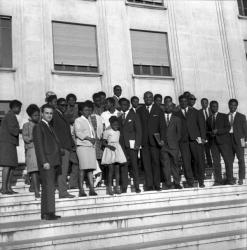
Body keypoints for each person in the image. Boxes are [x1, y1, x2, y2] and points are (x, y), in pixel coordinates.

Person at [33, 104, 62, 220]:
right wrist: (44, 161)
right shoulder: (39, 127)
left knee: (48, 187)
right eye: (47, 113)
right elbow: (39, 146)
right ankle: (49, 212)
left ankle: (46, 213)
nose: (49, 115)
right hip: (47, 162)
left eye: (51, 113)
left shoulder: (49, 126)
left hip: (53, 161)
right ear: (42, 113)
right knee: (49, 187)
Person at [174, 94, 206, 188]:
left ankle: (201, 181)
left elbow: (202, 126)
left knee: (198, 160)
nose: (183, 103)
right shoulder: (176, 114)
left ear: (187, 102)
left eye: (185, 101)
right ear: (179, 102)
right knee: (186, 162)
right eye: (181, 101)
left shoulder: (196, 112)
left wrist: (202, 138)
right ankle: (190, 181)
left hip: (195, 140)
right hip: (183, 142)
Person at [137, 91, 165, 191]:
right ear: (143, 99)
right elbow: (138, 127)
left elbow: (162, 127)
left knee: (156, 163)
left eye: (150, 97)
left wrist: (162, 139)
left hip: (155, 142)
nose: (148, 99)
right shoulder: (139, 111)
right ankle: (149, 185)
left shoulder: (159, 110)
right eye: (146, 97)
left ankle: (157, 184)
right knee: (146, 164)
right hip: (144, 143)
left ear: (152, 98)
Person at [206, 101, 233, 185]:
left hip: (224, 142)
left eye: (216, 106)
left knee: (227, 161)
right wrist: (211, 133)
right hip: (213, 144)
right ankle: (218, 180)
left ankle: (230, 179)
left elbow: (228, 128)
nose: (215, 108)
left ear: (218, 107)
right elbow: (207, 131)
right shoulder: (209, 119)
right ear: (210, 108)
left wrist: (218, 131)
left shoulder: (224, 116)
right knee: (216, 163)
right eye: (213, 107)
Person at [74, 101, 98, 197]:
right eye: (85, 110)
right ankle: (81, 190)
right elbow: (78, 133)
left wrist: (93, 140)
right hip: (83, 146)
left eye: (89, 110)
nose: (88, 111)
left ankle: (92, 189)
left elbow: (92, 132)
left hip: (90, 146)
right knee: (83, 168)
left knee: (90, 169)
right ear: (81, 111)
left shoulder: (89, 120)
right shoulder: (78, 120)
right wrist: (89, 138)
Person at [52, 98, 75, 199]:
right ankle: (63, 192)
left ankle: (64, 189)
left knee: (65, 169)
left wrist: (72, 144)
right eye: (62, 105)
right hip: (61, 147)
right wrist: (58, 146)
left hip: (67, 146)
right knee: (63, 170)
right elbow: (54, 132)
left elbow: (67, 132)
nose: (64, 107)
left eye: (66, 105)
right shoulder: (55, 115)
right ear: (57, 105)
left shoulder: (63, 115)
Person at [118, 98, 142, 193]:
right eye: (121, 105)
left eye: (125, 104)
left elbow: (139, 130)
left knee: (134, 166)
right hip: (122, 145)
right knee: (123, 166)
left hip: (132, 145)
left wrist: (137, 144)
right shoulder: (119, 117)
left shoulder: (134, 115)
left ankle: (137, 186)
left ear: (128, 105)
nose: (123, 106)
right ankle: (124, 187)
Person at [0, 100, 22, 195]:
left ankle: (8, 188)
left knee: (12, 166)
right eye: (19, 108)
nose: (20, 110)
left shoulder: (10, 116)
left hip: (10, 143)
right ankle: (4, 188)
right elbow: (14, 131)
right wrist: (20, 130)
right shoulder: (10, 116)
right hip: (7, 144)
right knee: (7, 165)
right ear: (15, 107)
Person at [101, 116, 127, 195]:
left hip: (117, 150)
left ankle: (117, 187)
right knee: (111, 170)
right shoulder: (107, 131)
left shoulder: (118, 132)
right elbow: (103, 142)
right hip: (110, 150)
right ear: (111, 124)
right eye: (114, 125)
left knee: (117, 170)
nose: (116, 126)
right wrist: (109, 146)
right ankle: (109, 188)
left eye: (117, 125)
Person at [160, 103, 182, 189]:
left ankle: (177, 182)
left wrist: (174, 143)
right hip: (163, 146)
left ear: (173, 108)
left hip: (173, 146)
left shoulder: (177, 119)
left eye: (170, 106)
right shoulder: (160, 118)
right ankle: (168, 183)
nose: (168, 107)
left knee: (175, 164)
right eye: (166, 105)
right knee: (165, 165)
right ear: (164, 107)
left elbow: (179, 134)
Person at [22, 104, 41, 198]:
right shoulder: (26, 125)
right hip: (31, 149)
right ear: (30, 116)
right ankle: (37, 191)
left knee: (39, 170)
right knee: (34, 170)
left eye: (38, 115)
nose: (37, 117)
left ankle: (33, 187)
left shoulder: (41, 125)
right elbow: (25, 138)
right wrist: (32, 137)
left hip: (40, 150)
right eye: (35, 115)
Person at [228, 99, 247, 185]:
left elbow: (245, 130)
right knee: (229, 161)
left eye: (234, 105)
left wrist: (244, 142)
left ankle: (241, 178)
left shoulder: (242, 116)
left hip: (239, 140)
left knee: (241, 160)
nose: (233, 107)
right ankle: (231, 179)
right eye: (231, 105)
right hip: (229, 140)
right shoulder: (226, 116)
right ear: (229, 105)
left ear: (236, 106)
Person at [199, 98, 213, 175]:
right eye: (203, 103)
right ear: (201, 104)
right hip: (204, 134)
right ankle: (209, 163)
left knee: (213, 149)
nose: (204, 104)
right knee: (206, 150)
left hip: (212, 133)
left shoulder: (212, 110)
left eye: (205, 103)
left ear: (207, 103)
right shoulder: (199, 112)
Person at [90, 111, 104, 187]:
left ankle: (100, 179)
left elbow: (102, 129)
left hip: (98, 141)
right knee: (92, 161)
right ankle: (94, 179)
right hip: (91, 142)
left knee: (99, 160)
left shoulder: (99, 118)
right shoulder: (87, 118)